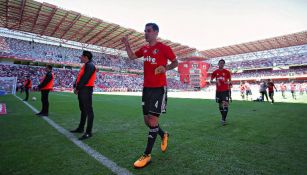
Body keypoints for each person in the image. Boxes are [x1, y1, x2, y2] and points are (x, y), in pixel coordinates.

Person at [122, 23, 178, 168]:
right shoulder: (145, 49)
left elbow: (176, 62)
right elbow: (131, 56)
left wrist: (165, 68)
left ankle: (146, 155)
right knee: (147, 121)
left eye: (148, 31)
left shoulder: (164, 48)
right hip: (146, 89)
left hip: (159, 88)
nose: (145, 33)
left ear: (156, 33)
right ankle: (163, 134)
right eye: (145, 31)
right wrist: (127, 43)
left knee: (153, 120)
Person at [70, 51, 96, 140]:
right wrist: (76, 86)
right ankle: (81, 128)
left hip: (86, 89)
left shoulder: (90, 65)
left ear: (86, 57)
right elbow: (80, 77)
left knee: (89, 111)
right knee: (83, 110)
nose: (80, 57)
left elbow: (85, 78)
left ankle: (88, 132)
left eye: (81, 56)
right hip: (83, 89)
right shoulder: (87, 65)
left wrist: (77, 87)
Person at [210, 59, 231, 126]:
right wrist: (216, 81)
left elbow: (230, 81)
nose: (221, 64)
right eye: (220, 63)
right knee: (220, 105)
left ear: (224, 64)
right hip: (218, 91)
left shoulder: (227, 72)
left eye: (222, 63)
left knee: (225, 104)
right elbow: (211, 81)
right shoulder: (215, 72)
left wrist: (227, 82)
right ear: (218, 64)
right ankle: (223, 117)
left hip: (225, 90)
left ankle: (223, 119)